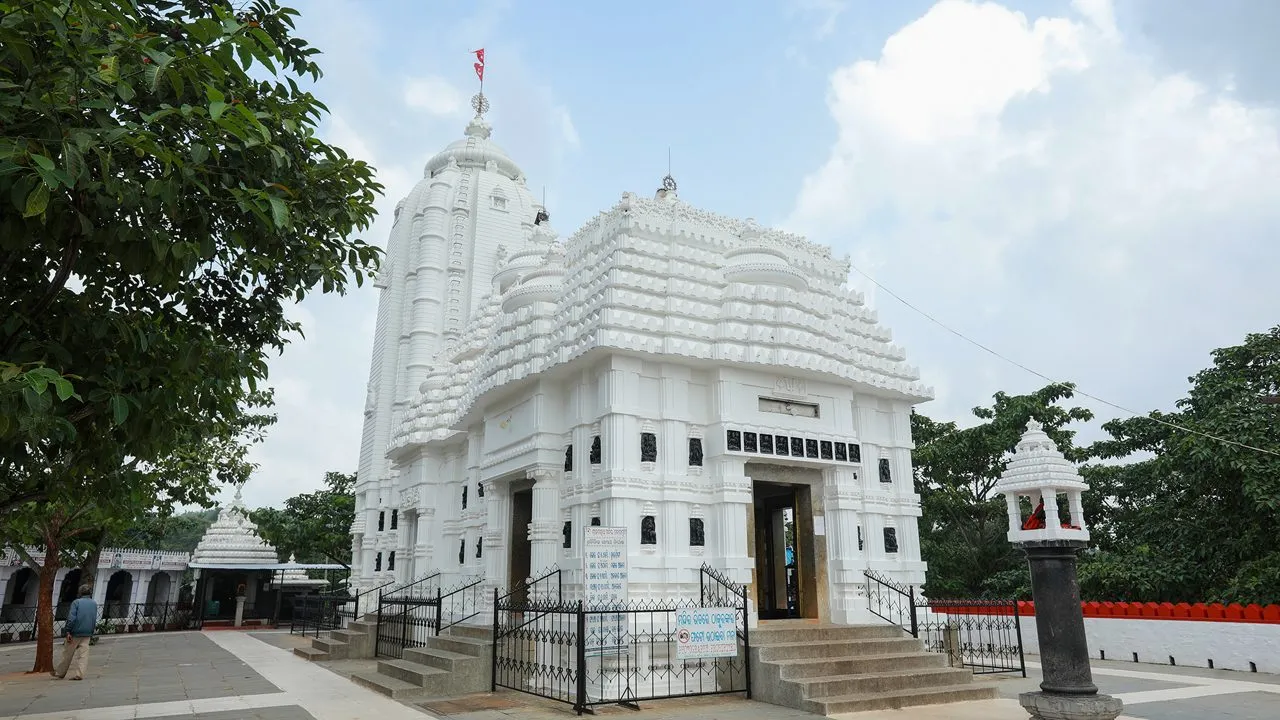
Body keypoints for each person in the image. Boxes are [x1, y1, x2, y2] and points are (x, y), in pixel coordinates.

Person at [53, 584, 97, 680]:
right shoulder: (94, 603)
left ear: (80, 592)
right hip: (87, 631)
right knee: (83, 654)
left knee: (67, 653)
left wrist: (68, 631)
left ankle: (60, 672)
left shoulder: (76, 602)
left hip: (76, 631)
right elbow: (94, 618)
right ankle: (80, 674)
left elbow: (72, 618)